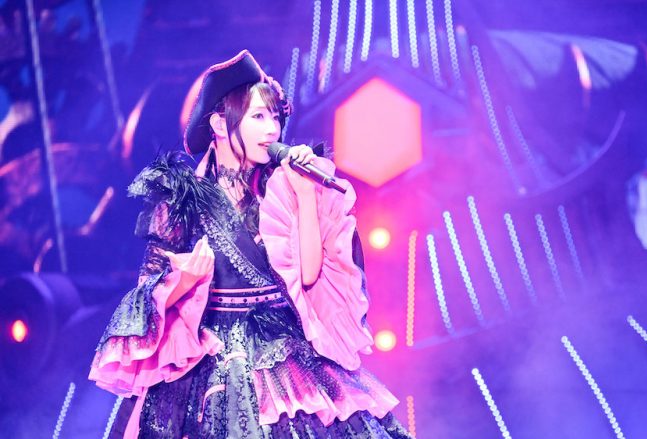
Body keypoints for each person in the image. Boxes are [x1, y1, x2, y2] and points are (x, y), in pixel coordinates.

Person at [89, 50, 413, 438]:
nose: (272, 129)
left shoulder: (280, 188)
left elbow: (309, 276)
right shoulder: (181, 199)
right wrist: (182, 281)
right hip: (209, 353)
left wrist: (304, 194)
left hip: (282, 346)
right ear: (219, 124)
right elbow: (147, 293)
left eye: (275, 117)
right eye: (258, 117)